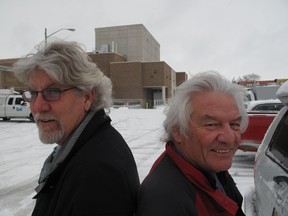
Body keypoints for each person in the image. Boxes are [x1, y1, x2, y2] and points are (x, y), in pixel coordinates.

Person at [13, 40, 140, 216]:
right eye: (33, 93)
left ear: (87, 97)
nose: (38, 106)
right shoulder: (82, 148)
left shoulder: (98, 174)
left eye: (53, 92)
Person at [136, 71, 248, 216]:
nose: (229, 138)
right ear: (178, 132)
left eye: (234, 124)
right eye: (212, 124)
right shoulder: (166, 202)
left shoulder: (207, 167)